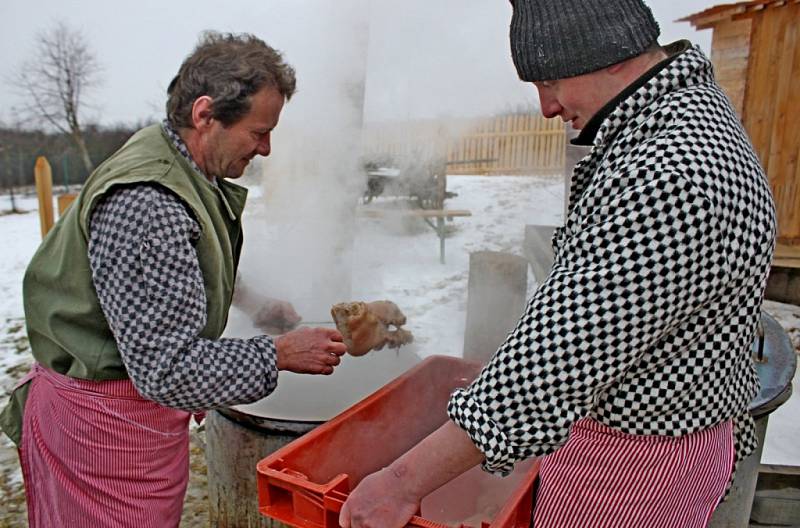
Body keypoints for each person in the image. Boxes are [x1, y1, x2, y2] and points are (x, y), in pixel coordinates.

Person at [339, 1, 777, 527]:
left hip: (631, 472)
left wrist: (397, 484)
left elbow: (551, 367)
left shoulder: (669, 175)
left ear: (608, 53)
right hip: (660, 443)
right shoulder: (691, 119)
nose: (546, 107)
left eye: (549, 83)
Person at [0, 32, 347, 527]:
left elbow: (179, 259)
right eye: (258, 131)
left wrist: (251, 300)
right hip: (100, 434)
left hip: (128, 421)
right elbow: (167, 369)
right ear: (205, 115)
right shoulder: (148, 202)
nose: (266, 149)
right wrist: (281, 353)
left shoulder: (176, 157)